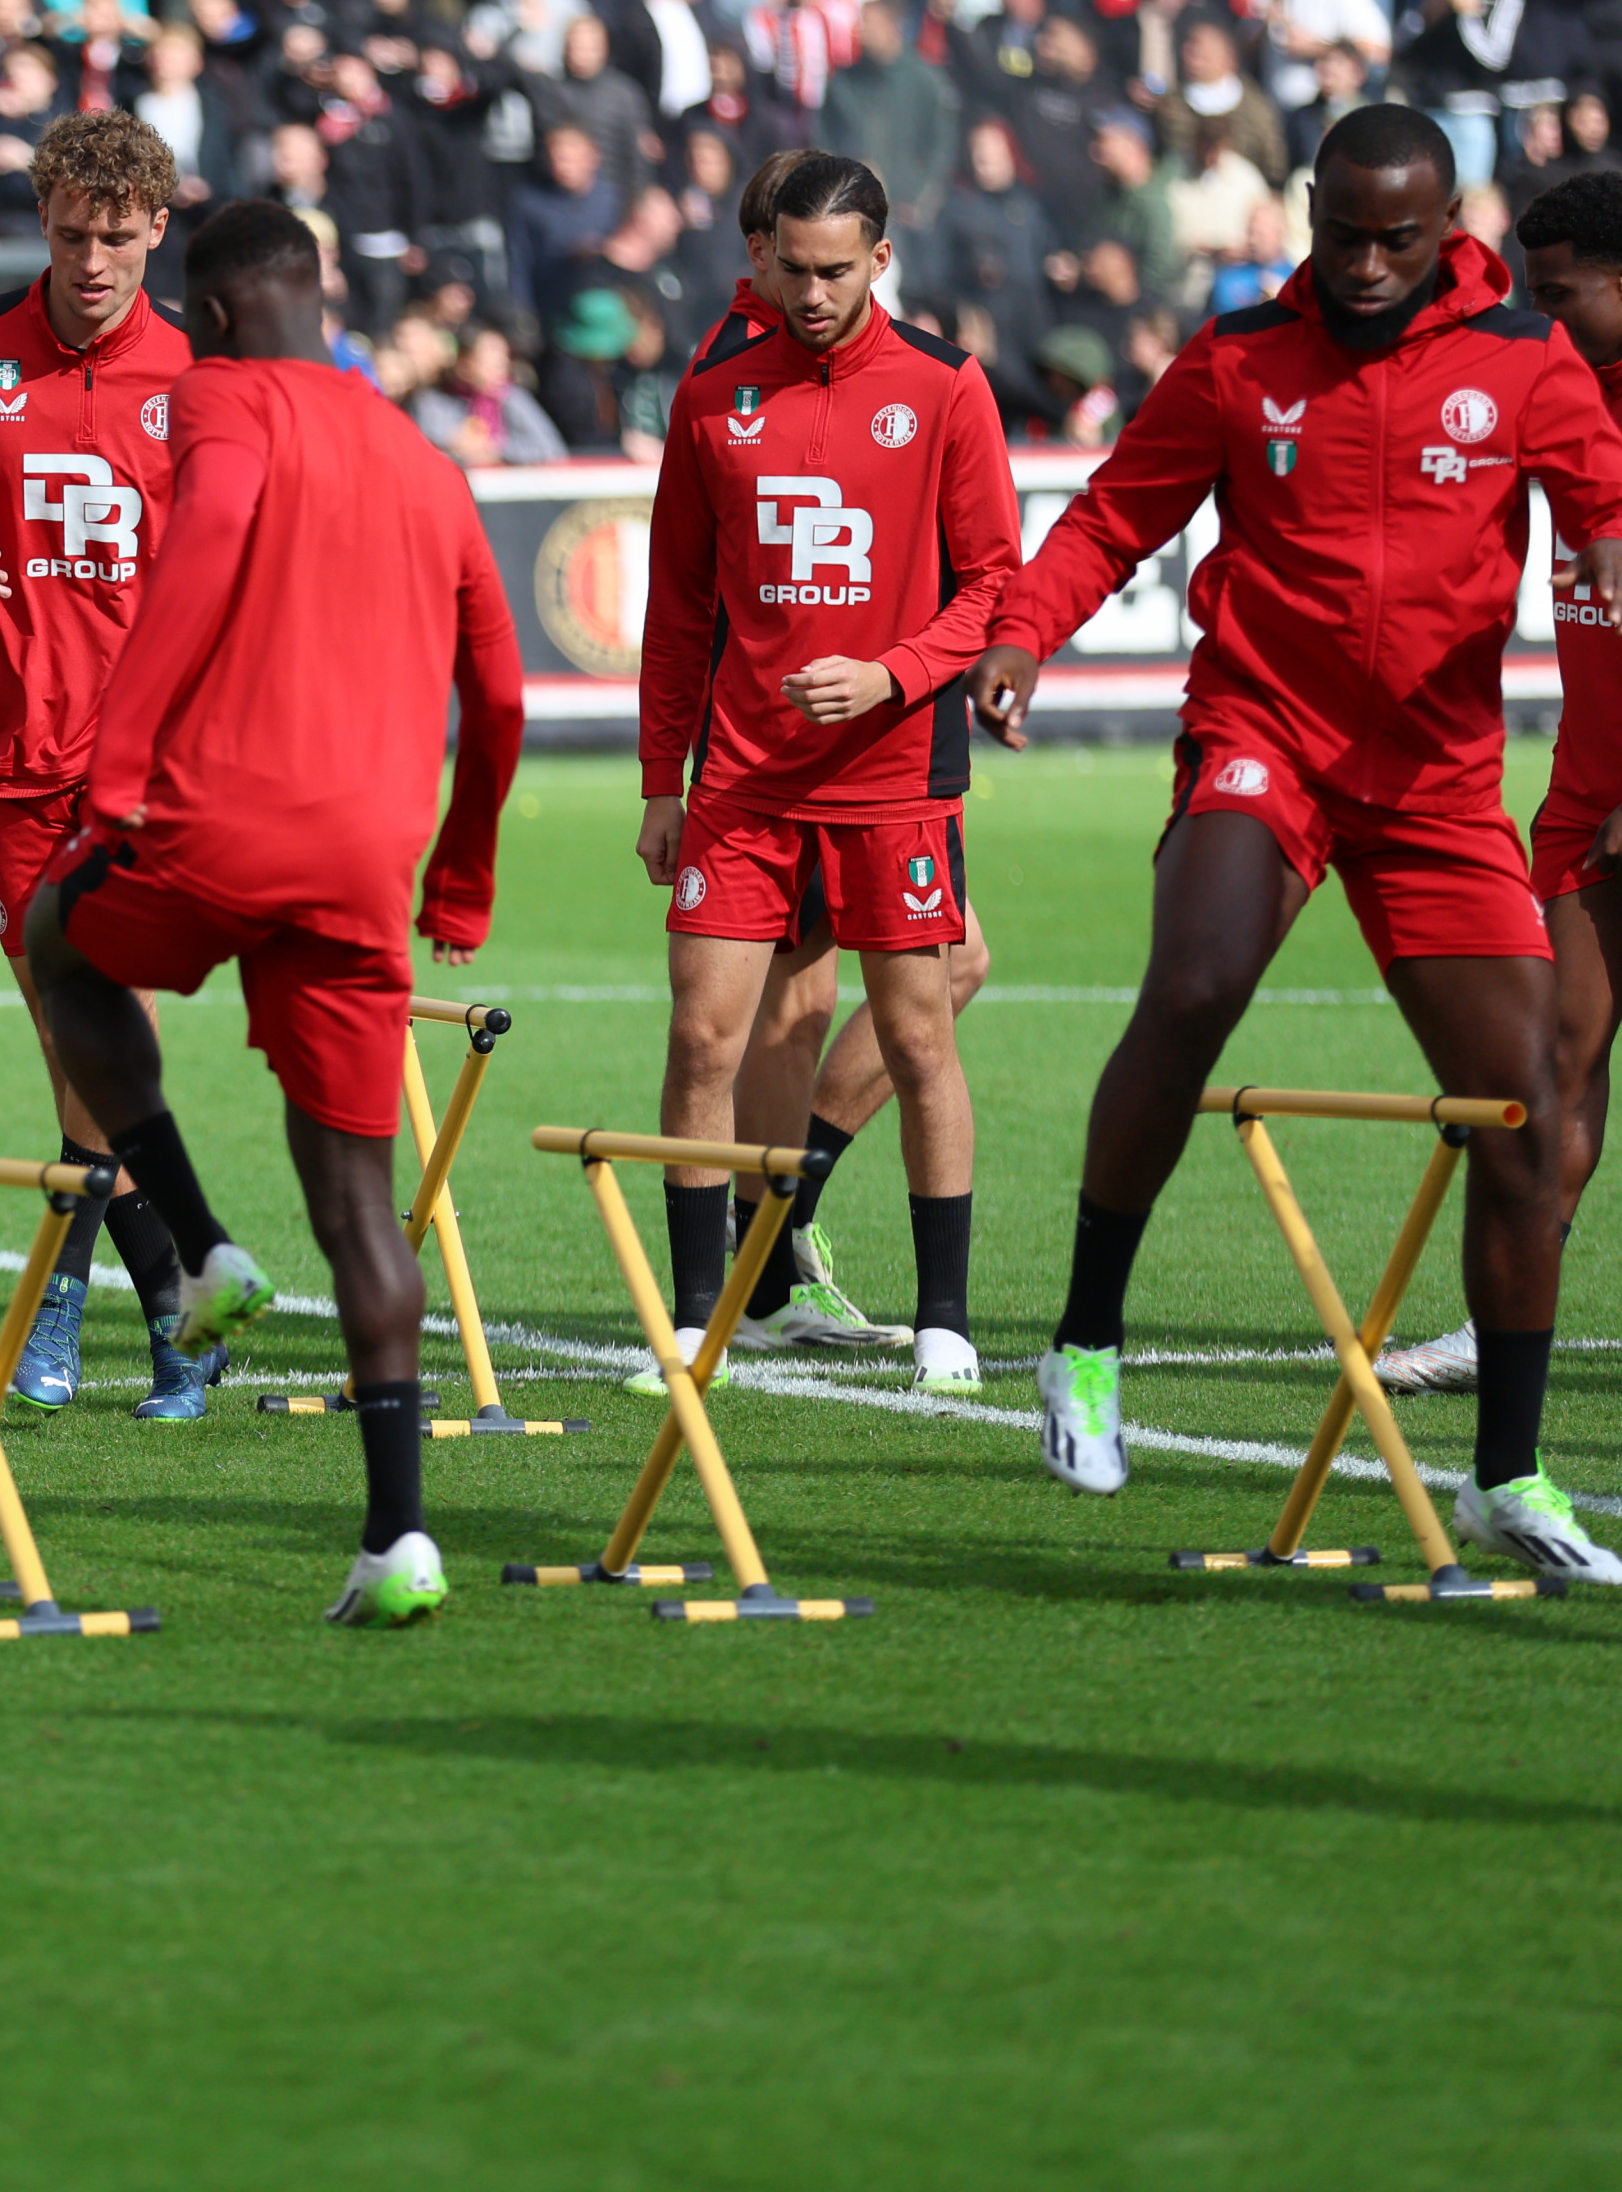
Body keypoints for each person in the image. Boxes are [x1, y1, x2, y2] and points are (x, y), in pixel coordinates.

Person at [975, 104, 1622, 1582]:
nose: (1373, 264)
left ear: (1450, 225)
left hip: (1442, 785)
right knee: (1195, 986)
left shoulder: (1527, 364)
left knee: (1527, 1112)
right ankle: (1082, 1343)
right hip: (1265, 739)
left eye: (1402, 239)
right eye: (1346, 234)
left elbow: (1608, 518)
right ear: (1308, 214)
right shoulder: (1235, 361)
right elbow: (1107, 523)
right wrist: (1020, 634)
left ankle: (1510, 1478)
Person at [22, 202, 525, 1627]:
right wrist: (465, 872)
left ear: (223, 317)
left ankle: (194, 1250)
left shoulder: (218, 397)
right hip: (370, 858)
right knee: (363, 1201)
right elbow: (498, 695)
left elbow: (211, 539)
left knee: (55, 942)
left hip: (223, 817)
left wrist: (117, 765)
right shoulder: (430, 463)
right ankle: (399, 1539)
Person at [632, 153, 1015, 1398]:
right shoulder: (713, 398)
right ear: (759, 259)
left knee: (919, 1030)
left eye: (835, 270)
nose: (810, 292)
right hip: (741, 783)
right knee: (706, 1038)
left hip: (893, 775)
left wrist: (893, 676)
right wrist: (658, 782)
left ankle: (944, 1319)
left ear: (881, 260)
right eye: (790, 268)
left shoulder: (947, 388)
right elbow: (678, 607)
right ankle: (705, 1318)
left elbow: (993, 588)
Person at [0, 109, 208, 1416]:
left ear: (155, 232)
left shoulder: (195, 375)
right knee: (80, 1045)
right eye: (71, 236)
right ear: (42, 225)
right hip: (7, 756)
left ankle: (85, 1310)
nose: (93, 262)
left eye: (118, 238)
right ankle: (173, 1296)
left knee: (104, 1027)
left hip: (144, 769)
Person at [1386, 170, 1622, 1393]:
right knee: (1555, 1064)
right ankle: (1502, 1327)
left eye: (1564, 293)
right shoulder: (1548, 393)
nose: (1544, 315)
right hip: (1585, 797)